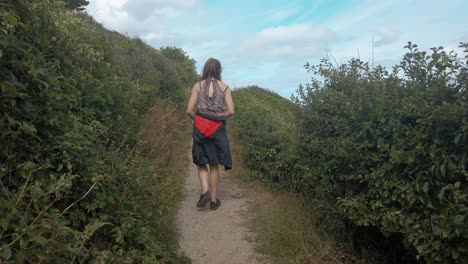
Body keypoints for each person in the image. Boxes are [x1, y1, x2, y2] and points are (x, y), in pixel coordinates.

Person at [186, 58, 234, 210]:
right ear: (219, 70)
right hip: (217, 130)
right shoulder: (225, 88)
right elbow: (231, 111)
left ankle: (205, 191)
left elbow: (189, 110)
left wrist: (199, 120)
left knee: (201, 162)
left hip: (200, 129)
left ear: (205, 69)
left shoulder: (197, 86)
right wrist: (218, 117)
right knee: (214, 164)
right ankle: (213, 201)